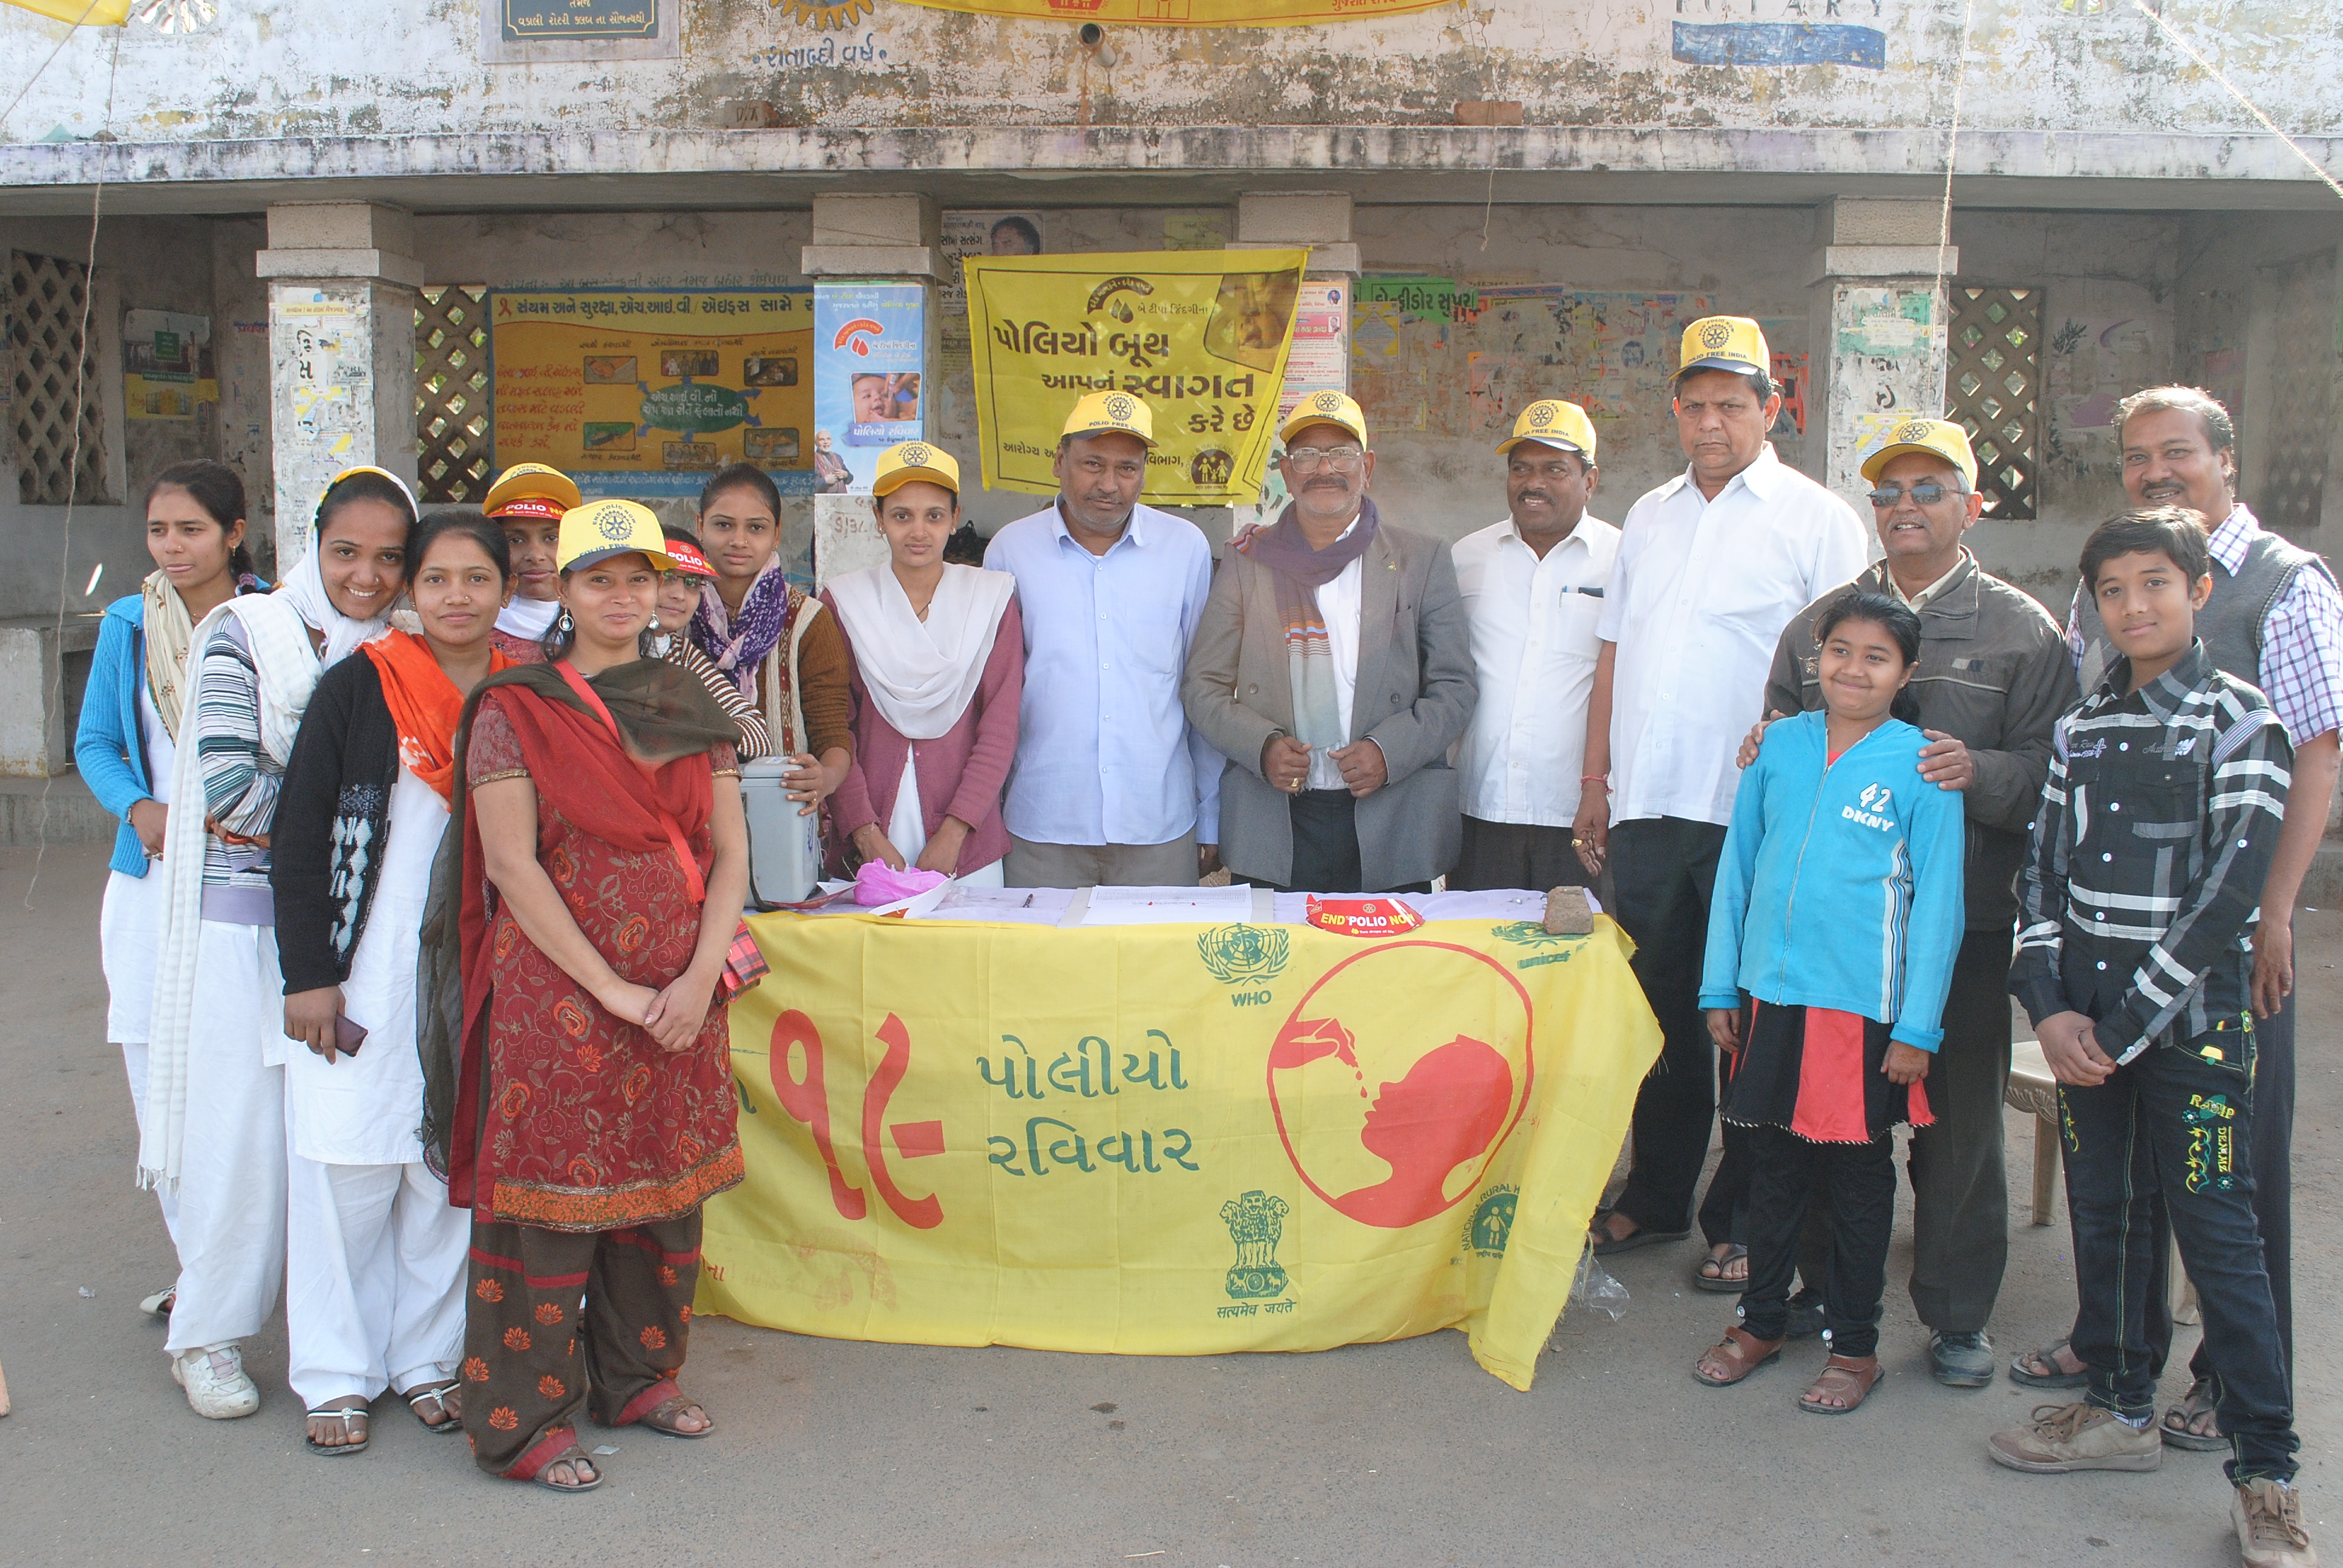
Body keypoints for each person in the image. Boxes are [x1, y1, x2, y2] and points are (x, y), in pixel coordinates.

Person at [2016, 388, 2340, 1452]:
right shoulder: (2090, 698)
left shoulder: (2283, 592)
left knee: (2225, 1196)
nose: (2156, 469)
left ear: (2223, 460)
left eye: (2177, 452)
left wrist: (2277, 915)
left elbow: (2314, 755)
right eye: (2136, 456)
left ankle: (2246, 1418)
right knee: (2110, 1200)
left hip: (2214, 962)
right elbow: (2051, 856)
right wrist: (2059, 1006)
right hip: (2101, 986)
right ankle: (2118, 1371)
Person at [1988, 508, 2312, 1568]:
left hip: (2193, 1036)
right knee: (2109, 1218)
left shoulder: (2240, 721)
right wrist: (2048, 1005)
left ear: (2199, 589)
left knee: (2220, 1244)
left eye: (2155, 584)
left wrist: (2121, 1025)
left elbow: (2224, 902)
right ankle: (2121, 1410)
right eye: (2114, 590)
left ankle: (2266, 1472)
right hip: (2085, 1033)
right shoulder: (2082, 731)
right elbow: (2039, 874)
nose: (2135, 606)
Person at [1751, 419, 2076, 1385]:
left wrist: (1980, 769)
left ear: (1972, 506)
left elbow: (2056, 770)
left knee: (1954, 1124)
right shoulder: (1824, 624)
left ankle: (1955, 1311)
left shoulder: (2022, 630)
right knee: (1823, 1118)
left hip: (1960, 923)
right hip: (1834, 933)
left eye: (1930, 489)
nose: (1907, 508)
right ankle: (1821, 1291)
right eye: (1889, 492)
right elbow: (1778, 734)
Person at [434, 498, 749, 1493]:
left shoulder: (680, 697)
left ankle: (640, 1377)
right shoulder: (513, 703)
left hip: (682, 990)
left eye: (639, 579)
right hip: (562, 995)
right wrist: (612, 987)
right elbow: (514, 867)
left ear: (662, 589)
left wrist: (699, 975)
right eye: (599, 579)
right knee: (553, 1204)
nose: (622, 597)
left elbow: (729, 852)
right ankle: (523, 1419)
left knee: (661, 1189)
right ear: (562, 590)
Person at [1572, 316, 1868, 1279]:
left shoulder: (1815, 518)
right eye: (1694, 405)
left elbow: (1852, 666)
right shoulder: (1650, 514)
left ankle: (1740, 1218)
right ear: (1675, 410)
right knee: (1656, 1013)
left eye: (1731, 405)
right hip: (1651, 806)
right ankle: (1654, 1196)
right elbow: (1613, 654)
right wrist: (1595, 788)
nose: (1710, 423)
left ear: (1770, 409)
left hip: (1758, 812)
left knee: (1747, 1017)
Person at [142, 465, 416, 1420]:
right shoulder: (249, 637)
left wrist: (335, 804)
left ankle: (370, 1352)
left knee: (350, 1157)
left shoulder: (408, 652)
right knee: (241, 1148)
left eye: (391, 558)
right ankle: (206, 1337)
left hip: (359, 941)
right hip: (243, 934)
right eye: (347, 553)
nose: (368, 578)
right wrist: (344, 802)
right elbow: (227, 793)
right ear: (312, 545)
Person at [268, 509, 512, 1454]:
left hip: (478, 965)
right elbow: (300, 835)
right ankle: (335, 1374)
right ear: (411, 590)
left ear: (502, 591)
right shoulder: (361, 689)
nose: (457, 597)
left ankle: (425, 1359)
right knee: (345, 1171)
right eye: (439, 579)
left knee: (444, 1168)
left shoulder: (520, 694)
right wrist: (309, 975)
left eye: (477, 579)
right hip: (363, 968)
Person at [1691, 589, 1964, 1415]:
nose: (1854, 668)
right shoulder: (1778, 748)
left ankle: (1855, 1346)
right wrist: (1718, 985)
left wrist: (1917, 1028)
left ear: (1906, 671)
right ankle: (1762, 1322)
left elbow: (1940, 908)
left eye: (1877, 656)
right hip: (1770, 999)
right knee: (1768, 1169)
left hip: (1860, 1013)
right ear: (1817, 657)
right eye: (1840, 649)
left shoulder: (1921, 766)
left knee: (1855, 1181)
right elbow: (1737, 871)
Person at [76, 459, 266, 1316]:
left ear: (233, 533)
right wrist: (137, 808)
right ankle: (203, 1277)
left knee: (245, 1088)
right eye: (159, 531)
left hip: (239, 881)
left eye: (191, 529)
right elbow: (97, 745)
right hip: (153, 880)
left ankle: (234, 1269)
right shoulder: (128, 621)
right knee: (163, 1078)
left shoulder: (267, 624)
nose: (172, 547)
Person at [1184, 390, 1475, 894]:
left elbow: (1455, 685)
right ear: (1286, 470)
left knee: (1386, 969)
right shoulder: (1248, 561)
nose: (1324, 468)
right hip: (1275, 819)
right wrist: (1263, 746)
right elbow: (1203, 686)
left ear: (1367, 466)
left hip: (1391, 812)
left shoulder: (1420, 560)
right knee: (1280, 969)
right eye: (1306, 456)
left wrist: (1390, 750)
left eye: (1340, 453)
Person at [986, 391, 1222, 887]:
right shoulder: (1012, 549)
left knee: (1155, 966)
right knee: (1042, 966)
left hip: (1157, 821)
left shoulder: (1185, 549)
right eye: (1092, 464)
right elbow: (995, 693)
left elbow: (1202, 689)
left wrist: (1212, 813)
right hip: (1042, 822)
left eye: (1127, 468)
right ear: (1059, 461)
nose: (1109, 484)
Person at [822, 443, 1023, 883]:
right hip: (872, 839)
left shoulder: (988, 601)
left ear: (955, 518)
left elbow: (1000, 726)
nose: (918, 531)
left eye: (934, 515)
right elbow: (834, 728)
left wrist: (955, 832)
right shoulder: (845, 602)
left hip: (968, 842)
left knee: (969, 953)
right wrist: (864, 833)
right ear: (878, 519)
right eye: (901, 516)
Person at [1450, 399, 1618, 891]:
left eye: (1554, 469)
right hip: (1479, 804)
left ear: (1590, 480)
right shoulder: (1468, 557)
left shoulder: (1623, 558)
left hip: (1580, 811)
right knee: (1482, 958)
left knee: (1572, 959)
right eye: (1520, 468)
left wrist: (1600, 789)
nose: (1533, 483)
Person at [687, 461, 854, 824]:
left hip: (782, 815)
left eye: (756, 528)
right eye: (723, 525)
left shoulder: (808, 620)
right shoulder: (673, 618)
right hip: (690, 813)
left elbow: (833, 736)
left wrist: (823, 778)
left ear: (776, 535)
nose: (739, 540)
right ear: (700, 526)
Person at [652, 523, 770, 759]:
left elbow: (758, 733)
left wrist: (688, 734)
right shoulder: (604, 645)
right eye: (667, 577)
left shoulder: (680, 652)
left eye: (692, 583)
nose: (679, 594)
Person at [482, 463, 581, 663]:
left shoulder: (597, 620)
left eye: (552, 538)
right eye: (516, 540)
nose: (535, 556)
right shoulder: (477, 628)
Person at [812, 430, 853, 494]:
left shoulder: (838, 457)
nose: (826, 442)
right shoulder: (813, 459)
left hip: (841, 499)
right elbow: (808, 487)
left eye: (828, 439)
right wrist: (825, 481)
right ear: (816, 443)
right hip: (823, 501)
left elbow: (850, 478)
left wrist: (846, 475)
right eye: (822, 440)